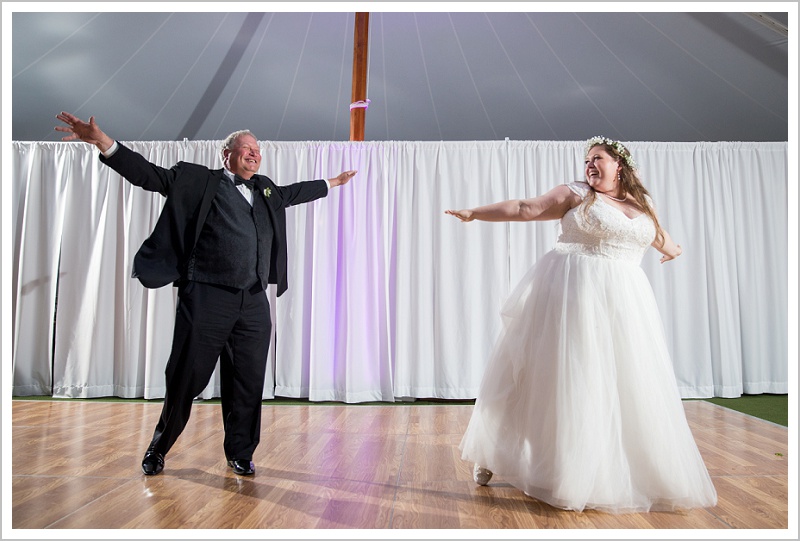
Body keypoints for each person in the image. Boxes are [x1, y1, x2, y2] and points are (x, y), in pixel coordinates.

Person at [55, 112, 356, 477]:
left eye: (257, 150)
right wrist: (105, 143)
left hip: (253, 301)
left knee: (247, 380)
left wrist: (332, 182)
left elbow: (295, 193)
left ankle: (240, 453)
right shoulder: (198, 181)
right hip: (207, 296)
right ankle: (159, 447)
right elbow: (150, 176)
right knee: (186, 377)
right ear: (225, 154)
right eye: (245, 148)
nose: (253, 153)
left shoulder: (265, 190)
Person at [445, 136, 717, 514]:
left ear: (619, 165)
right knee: (547, 378)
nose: (589, 165)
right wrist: (475, 212)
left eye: (598, 158)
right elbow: (525, 208)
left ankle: (607, 467)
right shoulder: (576, 193)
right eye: (587, 159)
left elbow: (660, 239)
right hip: (573, 296)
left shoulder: (642, 204)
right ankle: (492, 453)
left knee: (622, 383)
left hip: (625, 304)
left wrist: (673, 251)